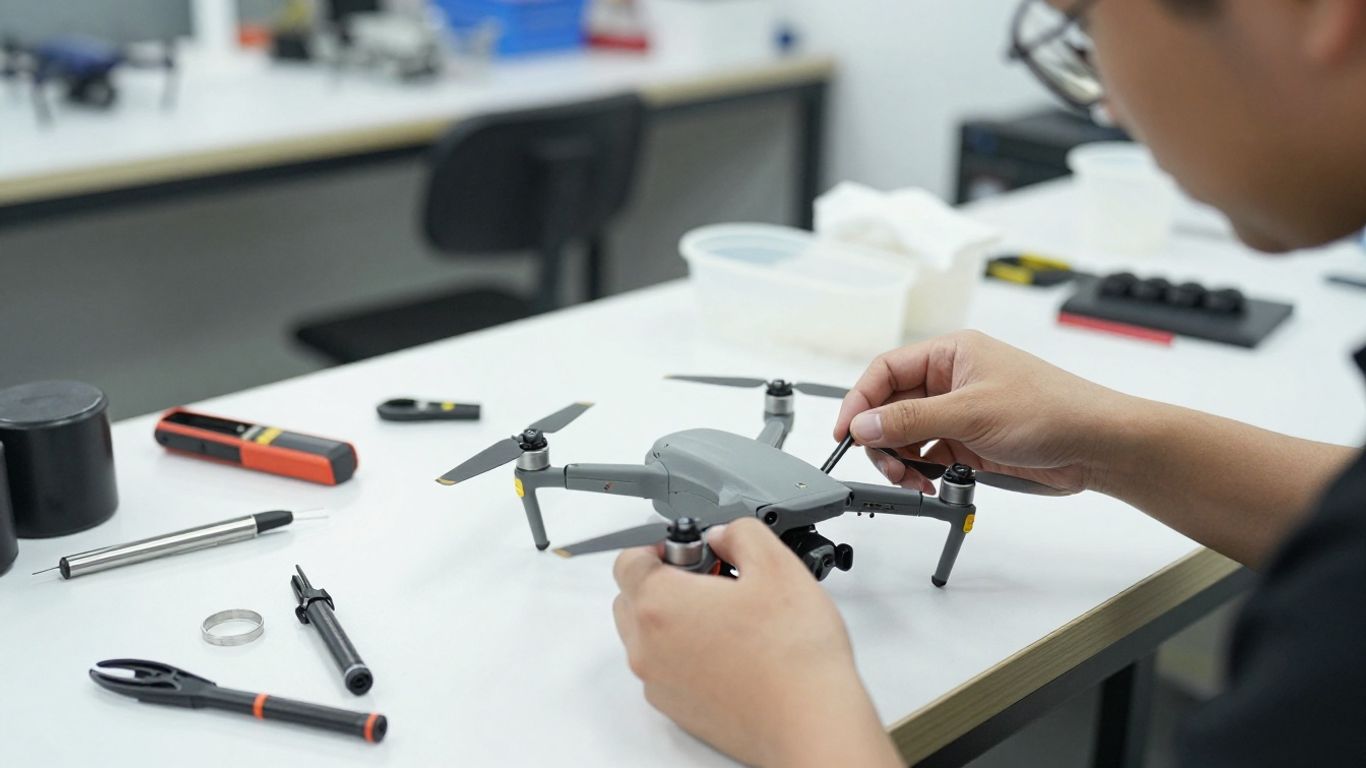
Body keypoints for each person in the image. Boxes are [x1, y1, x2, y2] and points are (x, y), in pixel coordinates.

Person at [609, 0, 1366, 765]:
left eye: (1085, 24)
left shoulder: (1331, 641)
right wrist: (1107, 444)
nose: (1105, 98)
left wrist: (793, 715)